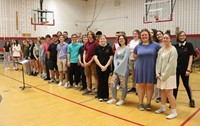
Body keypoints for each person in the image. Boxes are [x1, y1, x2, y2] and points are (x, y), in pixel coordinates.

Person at [134, 29, 160, 111]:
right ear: (140, 37)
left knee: (150, 86)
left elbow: (161, 56)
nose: (144, 36)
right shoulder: (138, 46)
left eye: (145, 35)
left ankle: (148, 103)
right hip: (140, 68)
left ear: (149, 35)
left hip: (151, 68)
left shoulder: (155, 45)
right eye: (142, 35)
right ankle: (140, 103)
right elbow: (134, 56)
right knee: (141, 86)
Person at [155, 31, 178, 119]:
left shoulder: (173, 50)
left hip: (169, 75)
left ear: (170, 39)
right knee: (162, 91)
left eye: (166, 38)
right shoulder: (161, 50)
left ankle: (174, 111)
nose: (165, 39)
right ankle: (163, 107)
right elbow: (158, 62)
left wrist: (163, 76)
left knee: (169, 92)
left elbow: (171, 65)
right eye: (164, 38)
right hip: (160, 75)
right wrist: (157, 73)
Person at [174, 31, 196, 108]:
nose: (182, 37)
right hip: (176, 69)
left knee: (186, 85)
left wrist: (188, 69)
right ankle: (173, 101)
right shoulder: (175, 46)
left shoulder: (189, 45)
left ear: (185, 36)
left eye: (183, 35)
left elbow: (191, 57)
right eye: (180, 36)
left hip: (185, 69)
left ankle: (191, 100)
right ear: (178, 37)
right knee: (175, 85)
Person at [107, 35, 130, 106]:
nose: (121, 40)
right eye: (120, 39)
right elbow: (115, 58)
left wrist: (119, 67)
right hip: (116, 69)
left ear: (125, 40)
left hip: (124, 68)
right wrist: (116, 67)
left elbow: (125, 59)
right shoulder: (117, 48)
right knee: (113, 83)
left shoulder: (127, 48)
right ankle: (114, 98)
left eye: (122, 39)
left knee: (123, 84)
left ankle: (122, 99)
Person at [94, 35, 113, 102]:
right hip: (99, 68)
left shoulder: (109, 47)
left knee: (105, 81)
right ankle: (100, 96)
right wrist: (101, 66)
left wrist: (106, 66)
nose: (102, 40)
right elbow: (95, 58)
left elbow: (111, 58)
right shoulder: (97, 48)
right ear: (99, 40)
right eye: (101, 39)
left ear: (106, 40)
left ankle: (106, 96)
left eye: (104, 38)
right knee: (100, 81)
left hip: (107, 68)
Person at [83, 31, 99, 97]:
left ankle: (96, 90)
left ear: (93, 35)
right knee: (88, 75)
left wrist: (90, 62)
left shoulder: (96, 43)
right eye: (88, 34)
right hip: (86, 62)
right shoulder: (86, 43)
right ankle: (89, 88)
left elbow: (95, 54)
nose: (89, 35)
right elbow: (84, 53)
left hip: (93, 62)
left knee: (95, 76)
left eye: (90, 34)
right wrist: (84, 61)